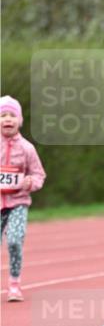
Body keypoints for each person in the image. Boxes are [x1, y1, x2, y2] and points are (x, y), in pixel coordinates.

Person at [1, 95, 46, 302]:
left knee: (14, 241)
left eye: (12, 115)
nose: (7, 119)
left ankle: (14, 284)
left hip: (18, 202)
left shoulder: (27, 148)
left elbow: (39, 174)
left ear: (19, 120)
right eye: (3, 115)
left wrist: (31, 183)